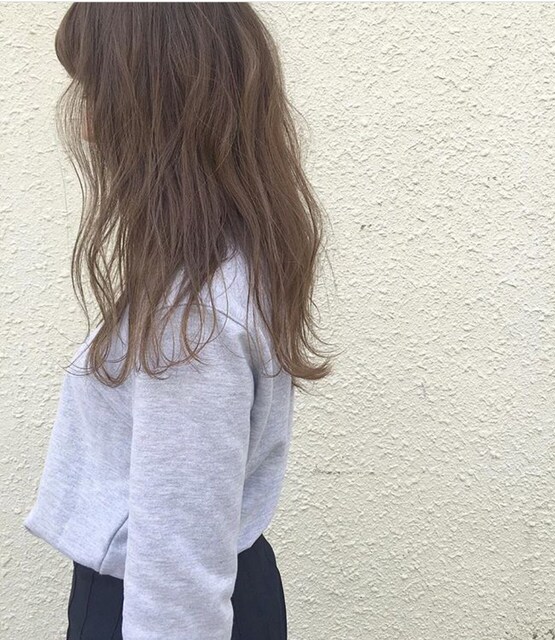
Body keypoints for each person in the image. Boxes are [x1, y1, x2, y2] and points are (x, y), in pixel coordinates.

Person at [22, 3, 336, 639]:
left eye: (97, 93)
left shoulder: (194, 318)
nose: (87, 127)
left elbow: (178, 569)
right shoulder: (225, 270)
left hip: (156, 608)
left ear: (153, 108)